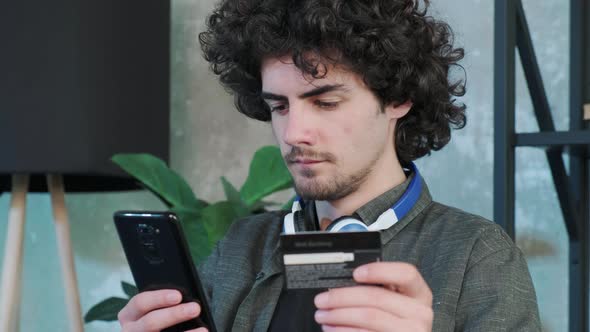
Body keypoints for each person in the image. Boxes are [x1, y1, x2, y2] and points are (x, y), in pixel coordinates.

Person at [117, 0, 542, 331]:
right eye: (279, 106)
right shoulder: (239, 247)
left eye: (325, 102)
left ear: (398, 98)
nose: (293, 132)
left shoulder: (475, 255)